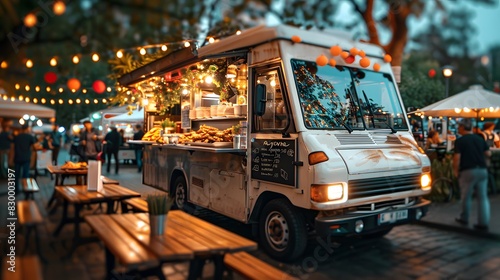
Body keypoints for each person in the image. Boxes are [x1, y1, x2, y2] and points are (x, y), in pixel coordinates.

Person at [453, 119, 491, 231]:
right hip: (482, 170)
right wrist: (486, 165)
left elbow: (456, 159)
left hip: (467, 170)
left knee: (466, 196)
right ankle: (483, 222)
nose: (458, 129)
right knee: (483, 197)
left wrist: (456, 171)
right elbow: (488, 153)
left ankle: (464, 218)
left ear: (463, 128)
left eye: (459, 127)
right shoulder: (480, 139)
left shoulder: (460, 141)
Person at [11, 124, 35, 192]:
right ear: (27, 129)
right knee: (25, 175)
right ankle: (25, 189)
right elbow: (33, 148)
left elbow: (12, 148)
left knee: (16, 175)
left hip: (17, 157)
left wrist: (11, 159)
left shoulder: (17, 137)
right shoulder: (30, 137)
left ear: (21, 129)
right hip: (26, 158)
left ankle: (16, 190)